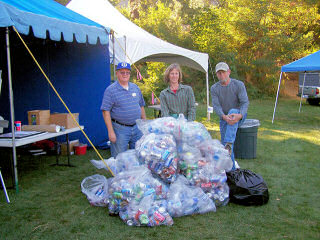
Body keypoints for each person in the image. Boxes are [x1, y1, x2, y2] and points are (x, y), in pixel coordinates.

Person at [101, 62, 146, 158]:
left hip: (137, 128)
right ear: (117, 73)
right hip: (120, 129)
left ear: (130, 74)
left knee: (139, 156)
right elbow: (105, 111)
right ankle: (118, 174)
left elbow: (141, 106)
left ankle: (135, 173)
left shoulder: (135, 88)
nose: (125, 75)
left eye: (127, 72)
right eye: (122, 72)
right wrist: (110, 131)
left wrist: (144, 125)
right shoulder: (110, 90)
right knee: (119, 158)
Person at [210, 62, 249, 169]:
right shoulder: (214, 88)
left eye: (223, 72)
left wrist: (240, 115)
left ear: (229, 72)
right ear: (217, 74)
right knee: (225, 150)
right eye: (219, 73)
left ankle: (229, 143)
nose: (221, 75)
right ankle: (231, 171)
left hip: (239, 115)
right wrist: (224, 117)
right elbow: (216, 106)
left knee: (233, 110)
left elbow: (245, 103)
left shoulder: (238, 85)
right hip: (224, 118)